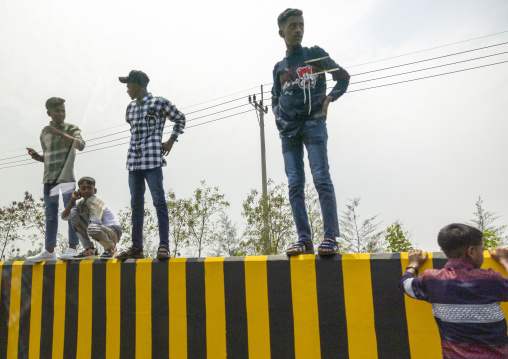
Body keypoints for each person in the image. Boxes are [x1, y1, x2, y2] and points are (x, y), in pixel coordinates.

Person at [271, 9, 350, 256]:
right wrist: (277, 116)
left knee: (321, 178)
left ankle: (330, 237)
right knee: (294, 184)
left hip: (314, 124)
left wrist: (328, 100)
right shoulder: (279, 68)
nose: (297, 30)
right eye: (292, 26)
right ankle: (304, 239)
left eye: (301, 25)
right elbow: (275, 96)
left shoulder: (315, 55)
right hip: (289, 132)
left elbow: (343, 78)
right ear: (281, 32)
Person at [400, 223, 508, 358]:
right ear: (472, 251)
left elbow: (406, 284)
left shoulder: (432, 279)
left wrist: (413, 264)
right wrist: (505, 261)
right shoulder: (490, 279)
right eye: (482, 249)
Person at [116, 70, 185, 259]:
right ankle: (136, 246)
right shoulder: (130, 108)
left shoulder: (159, 103)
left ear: (137, 85)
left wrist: (170, 141)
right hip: (133, 160)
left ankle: (164, 245)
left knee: (159, 202)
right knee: (136, 204)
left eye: (128, 85)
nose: (127, 89)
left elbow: (180, 118)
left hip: (152, 159)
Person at [26, 97, 85, 262]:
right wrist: (38, 157)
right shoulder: (44, 133)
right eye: (57, 110)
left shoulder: (71, 128)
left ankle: (72, 248)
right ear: (49, 113)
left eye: (63, 110)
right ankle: (49, 250)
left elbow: (80, 145)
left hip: (66, 178)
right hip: (49, 179)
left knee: (70, 212)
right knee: (50, 215)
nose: (61, 113)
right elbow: (48, 157)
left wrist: (60, 133)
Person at [61, 176, 122, 259]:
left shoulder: (95, 202)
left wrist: (88, 229)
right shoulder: (81, 204)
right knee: (74, 218)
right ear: (79, 191)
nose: (86, 191)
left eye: (89, 188)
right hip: (99, 229)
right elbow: (65, 217)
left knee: (92, 228)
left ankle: (111, 249)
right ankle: (90, 249)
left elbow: (95, 222)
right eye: (83, 188)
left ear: (95, 190)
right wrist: (72, 201)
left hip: (113, 231)